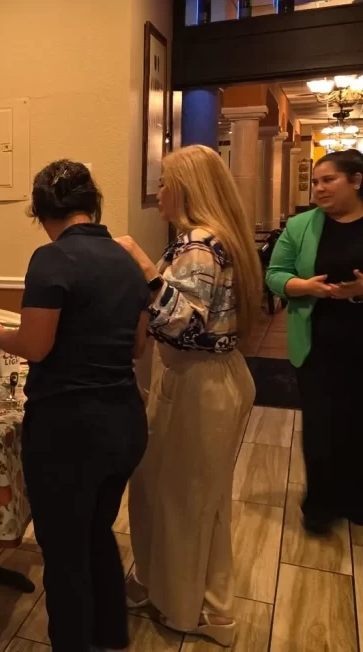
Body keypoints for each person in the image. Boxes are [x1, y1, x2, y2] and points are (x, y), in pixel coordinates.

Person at [0, 160, 149, 652]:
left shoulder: (52, 260)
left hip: (70, 431)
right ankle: (112, 636)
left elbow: (35, 346)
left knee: (65, 552)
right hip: (125, 422)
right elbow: (137, 347)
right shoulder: (128, 258)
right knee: (96, 532)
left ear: (43, 212)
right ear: (93, 205)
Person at [115, 144, 261, 646]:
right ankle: (197, 600)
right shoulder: (221, 239)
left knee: (182, 499)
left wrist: (138, 260)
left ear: (185, 189)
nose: (159, 193)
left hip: (198, 380)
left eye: (164, 183)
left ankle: (186, 610)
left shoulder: (198, 244)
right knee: (195, 496)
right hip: (215, 375)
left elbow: (181, 319)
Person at [265, 149, 363, 534]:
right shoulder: (302, 225)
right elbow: (274, 273)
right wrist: (303, 286)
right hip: (318, 342)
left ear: (356, 181)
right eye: (316, 181)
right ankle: (321, 504)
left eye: (329, 180)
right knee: (322, 426)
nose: (319, 188)